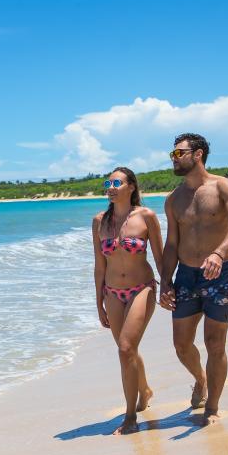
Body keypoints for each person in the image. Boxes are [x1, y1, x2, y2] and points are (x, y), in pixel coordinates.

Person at [158, 133, 228, 426]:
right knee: (182, 345)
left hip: (219, 274)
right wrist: (166, 281)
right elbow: (171, 244)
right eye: (173, 153)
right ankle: (201, 379)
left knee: (214, 343)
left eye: (179, 153)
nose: (174, 157)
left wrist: (219, 254)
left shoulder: (224, 187)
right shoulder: (173, 199)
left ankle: (212, 408)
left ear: (198, 155)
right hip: (185, 275)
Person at [92, 166, 165, 435]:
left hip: (141, 289)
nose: (110, 187)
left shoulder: (146, 216)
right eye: (108, 182)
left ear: (131, 187)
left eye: (116, 182)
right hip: (112, 292)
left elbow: (159, 257)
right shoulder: (99, 221)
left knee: (125, 349)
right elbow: (99, 265)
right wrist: (98, 300)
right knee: (129, 351)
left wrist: (167, 286)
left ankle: (131, 416)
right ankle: (144, 390)